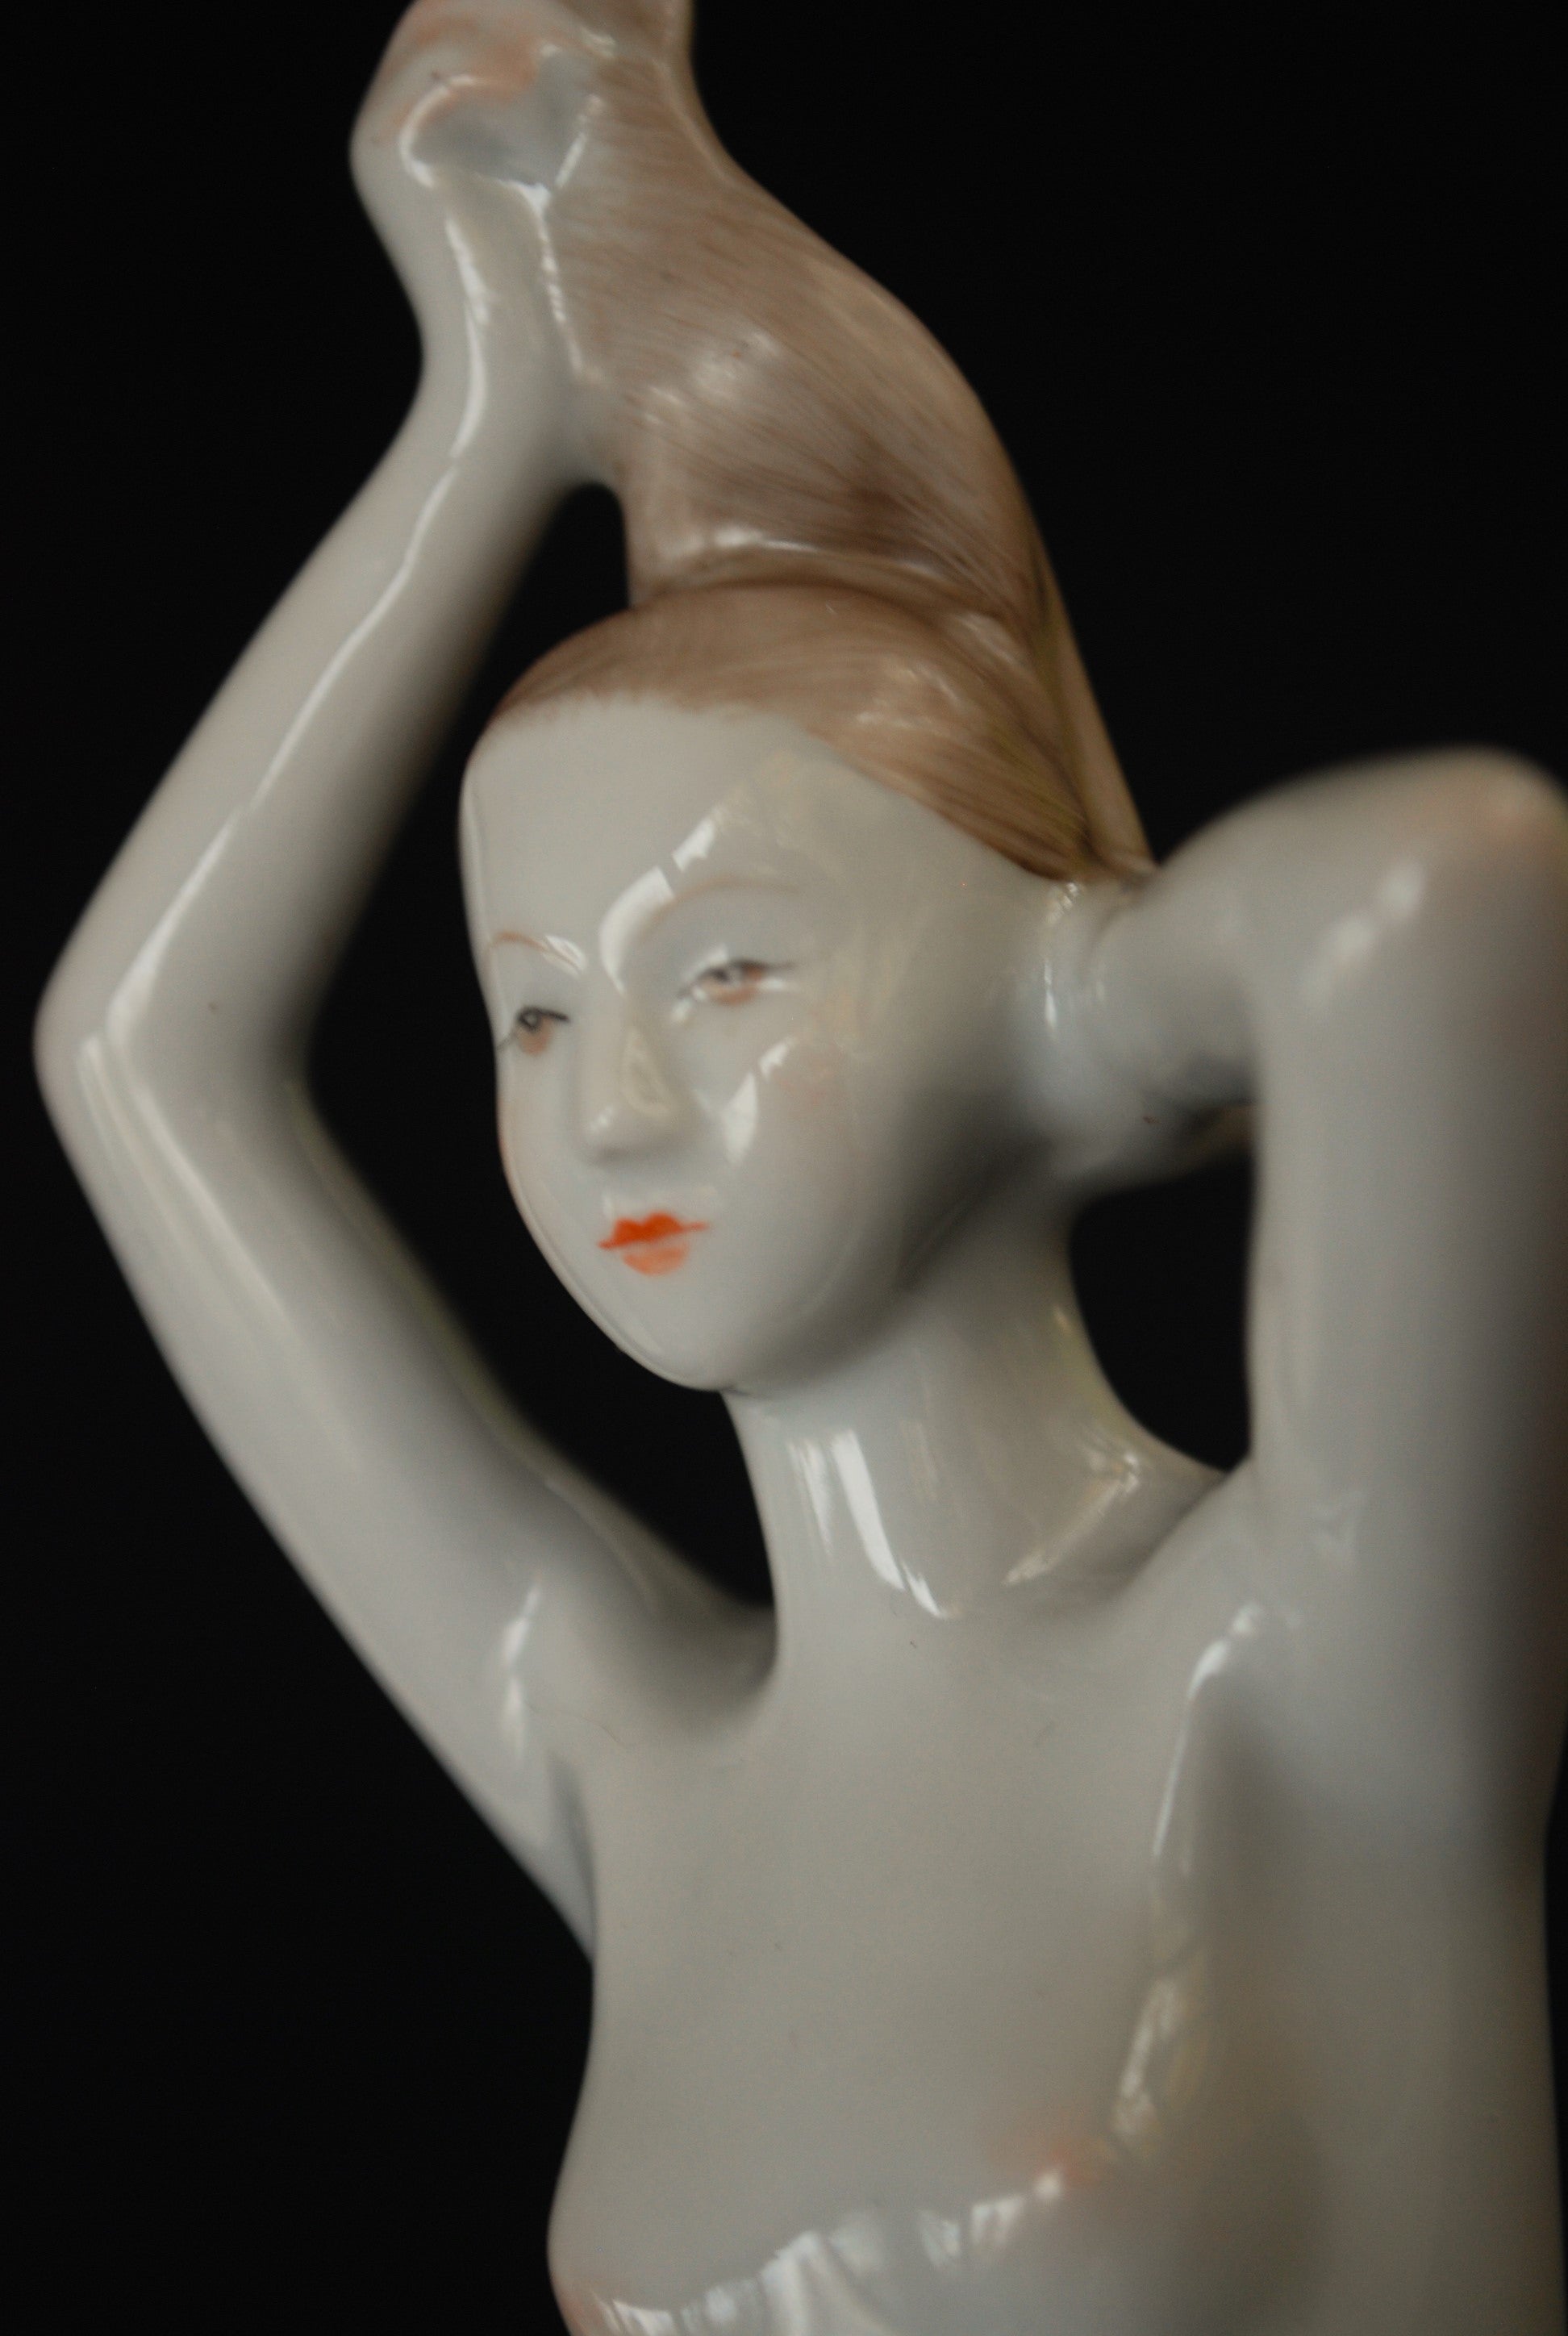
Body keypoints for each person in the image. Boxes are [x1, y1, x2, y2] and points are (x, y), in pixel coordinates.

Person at [35, 3, 1568, 2330]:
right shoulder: (627, 1752)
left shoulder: (1303, 1654)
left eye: (731, 972)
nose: (614, 1106)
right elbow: (133, 1056)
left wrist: (1073, 994)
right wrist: (489, 410)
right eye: (535, 1012)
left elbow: (1443, 887)